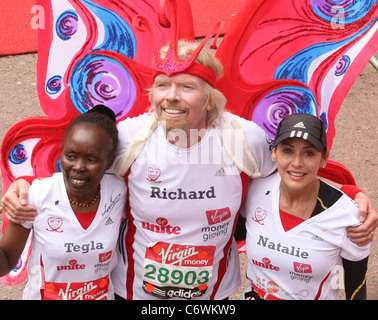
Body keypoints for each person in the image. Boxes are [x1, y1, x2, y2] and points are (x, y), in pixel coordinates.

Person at [1, 41, 377, 300]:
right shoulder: (130, 136)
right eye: (163, 85)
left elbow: (294, 171)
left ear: (210, 99)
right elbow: (78, 167)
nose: (172, 96)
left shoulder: (244, 138)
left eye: (187, 87)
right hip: (135, 290)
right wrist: (26, 185)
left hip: (212, 291)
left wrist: (352, 199)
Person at [0, 106, 127, 300]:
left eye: (91, 159)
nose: (78, 167)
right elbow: (6, 261)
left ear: (109, 162)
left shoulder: (119, 191)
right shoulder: (36, 196)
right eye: (71, 156)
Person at [241, 113, 370, 300]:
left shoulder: (349, 216)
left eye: (309, 153)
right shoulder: (254, 191)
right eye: (287, 151)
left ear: (324, 158)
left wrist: (353, 193)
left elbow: (356, 288)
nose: (297, 163)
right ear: (274, 152)